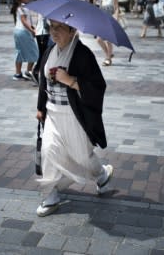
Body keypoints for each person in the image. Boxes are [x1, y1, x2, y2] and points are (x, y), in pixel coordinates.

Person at [35, 19, 113, 217]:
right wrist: (40, 108)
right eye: (52, 27)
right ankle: (50, 196)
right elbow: (42, 81)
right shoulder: (49, 51)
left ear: (72, 31)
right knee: (48, 150)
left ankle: (101, 175)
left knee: (82, 157)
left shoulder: (83, 54)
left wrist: (69, 80)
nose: (54, 31)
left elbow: (97, 87)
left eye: (60, 27)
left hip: (74, 116)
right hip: (53, 114)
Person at [11, 0, 39, 81]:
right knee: (35, 52)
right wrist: (32, 30)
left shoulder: (20, 7)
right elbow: (24, 21)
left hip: (18, 31)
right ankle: (28, 71)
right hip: (23, 32)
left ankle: (18, 73)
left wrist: (31, 29)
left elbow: (23, 21)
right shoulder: (23, 7)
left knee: (20, 52)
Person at [32, 0, 56, 83]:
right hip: (44, 32)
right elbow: (47, 17)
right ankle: (36, 72)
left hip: (41, 32)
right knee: (44, 55)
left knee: (45, 55)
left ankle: (39, 73)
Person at [95, 0, 119, 66]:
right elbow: (100, 9)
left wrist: (115, 18)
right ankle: (108, 54)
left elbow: (116, 8)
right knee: (99, 39)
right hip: (103, 20)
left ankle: (108, 58)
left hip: (111, 19)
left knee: (109, 40)